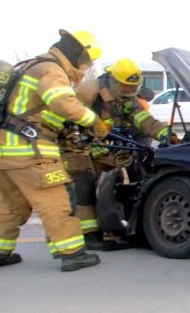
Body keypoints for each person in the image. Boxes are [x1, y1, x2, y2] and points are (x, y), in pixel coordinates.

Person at [0, 29, 111, 272]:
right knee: (55, 202)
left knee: (10, 203)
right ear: (79, 54)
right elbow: (63, 103)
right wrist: (94, 121)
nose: (85, 67)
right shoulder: (51, 70)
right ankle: (72, 254)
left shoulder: (30, 65)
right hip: (29, 152)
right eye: (87, 62)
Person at [62, 58, 176, 250]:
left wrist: (165, 134)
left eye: (132, 88)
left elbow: (143, 120)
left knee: (110, 186)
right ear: (113, 80)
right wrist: (87, 140)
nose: (128, 91)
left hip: (102, 148)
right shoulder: (89, 91)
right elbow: (68, 118)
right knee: (84, 185)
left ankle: (109, 226)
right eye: (124, 87)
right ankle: (88, 234)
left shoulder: (128, 99)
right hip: (76, 147)